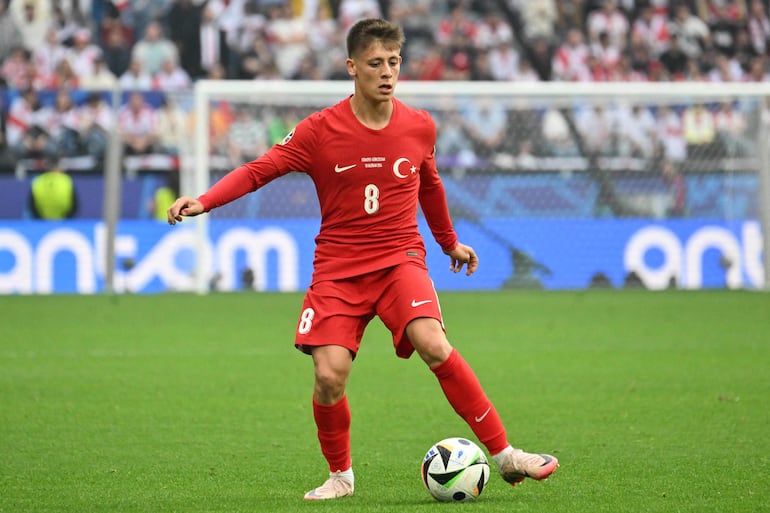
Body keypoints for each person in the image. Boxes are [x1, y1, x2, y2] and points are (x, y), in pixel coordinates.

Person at [166, 18, 558, 501]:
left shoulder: (418, 126)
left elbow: (430, 184)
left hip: (399, 260)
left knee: (432, 342)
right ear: (352, 67)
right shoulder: (319, 130)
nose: (387, 72)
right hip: (338, 268)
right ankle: (341, 476)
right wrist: (204, 200)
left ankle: (506, 456)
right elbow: (259, 169)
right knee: (329, 376)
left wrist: (448, 242)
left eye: (394, 62)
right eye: (376, 63)